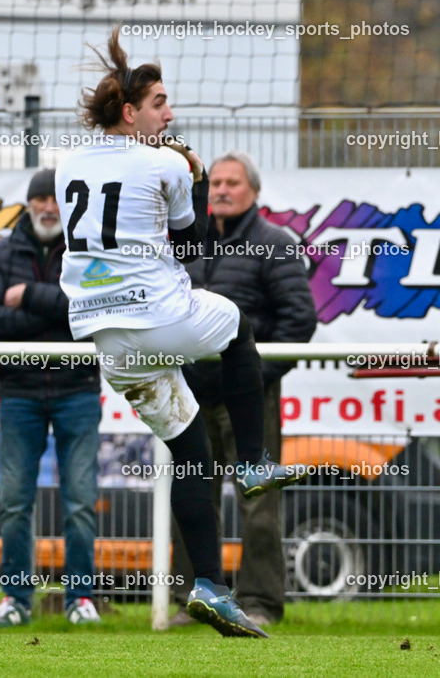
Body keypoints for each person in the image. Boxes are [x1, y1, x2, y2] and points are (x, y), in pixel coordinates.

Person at [56, 31, 309, 638]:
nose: (169, 115)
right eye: (160, 103)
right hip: (157, 317)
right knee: (238, 327)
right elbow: (195, 248)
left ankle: (211, 588)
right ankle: (254, 463)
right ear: (129, 112)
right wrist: (194, 176)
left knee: (191, 456)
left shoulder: (68, 162)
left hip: (106, 338)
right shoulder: (166, 161)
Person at [169, 152, 317, 627]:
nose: (221, 190)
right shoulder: (185, 245)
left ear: (254, 190)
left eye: (232, 182)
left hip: (250, 398)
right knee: (193, 496)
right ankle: (193, 601)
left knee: (259, 504)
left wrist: (250, 377)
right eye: (215, 183)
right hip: (191, 396)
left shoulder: (275, 244)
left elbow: (300, 321)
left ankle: (260, 603)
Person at [0, 169, 103, 627]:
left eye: (56, 199)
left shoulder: (88, 250)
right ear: (29, 204)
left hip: (78, 391)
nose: (48, 207)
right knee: (14, 502)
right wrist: (55, 313)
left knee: (81, 502)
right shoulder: (2, 250)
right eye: (40, 199)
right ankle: (16, 600)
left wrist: (29, 295)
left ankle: (80, 599)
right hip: (19, 393)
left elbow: (93, 313)